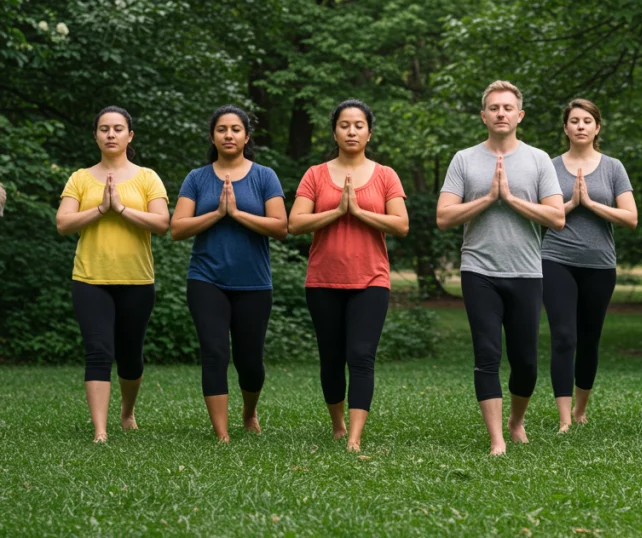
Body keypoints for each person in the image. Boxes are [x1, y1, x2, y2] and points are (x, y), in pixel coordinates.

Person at [436, 80, 564, 455]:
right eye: (494, 108)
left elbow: (556, 217)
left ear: (519, 115)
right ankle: (496, 440)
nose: (501, 113)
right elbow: (444, 217)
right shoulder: (464, 159)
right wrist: (488, 198)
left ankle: (516, 421)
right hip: (479, 270)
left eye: (508, 108)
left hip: (526, 271)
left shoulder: (538, 159)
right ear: (483, 115)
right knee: (487, 353)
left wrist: (509, 199)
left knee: (525, 361)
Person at [288, 100, 409, 453]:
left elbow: (400, 224)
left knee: (361, 355)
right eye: (344, 125)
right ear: (335, 131)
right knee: (331, 356)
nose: (351, 131)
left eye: (358, 125)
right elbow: (295, 223)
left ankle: (354, 436)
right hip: (323, 280)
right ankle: (338, 425)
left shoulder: (385, 175)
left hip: (371, 280)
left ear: (369, 132)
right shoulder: (315, 174)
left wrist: (357, 211)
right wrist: (337, 210)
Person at [170, 106, 287, 442]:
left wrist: (235, 213)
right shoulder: (197, 178)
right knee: (215, 352)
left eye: (236, 129)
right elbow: (177, 228)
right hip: (206, 279)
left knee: (250, 361)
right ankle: (221, 433)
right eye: (222, 129)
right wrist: (218, 212)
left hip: (253, 282)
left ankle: (249, 412)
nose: (229, 135)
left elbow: (281, 227)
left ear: (247, 137)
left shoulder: (265, 176)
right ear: (213, 136)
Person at [55, 106, 170, 442]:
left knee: (130, 355)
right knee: (98, 351)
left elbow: (162, 223)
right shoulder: (79, 177)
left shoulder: (147, 177)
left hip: (136, 279)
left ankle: (127, 411)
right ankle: (100, 431)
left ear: (129, 135)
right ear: (95, 135)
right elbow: (63, 224)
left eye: (118, 129)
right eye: (104, 129)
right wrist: (101, 209)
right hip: (90, 278)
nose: (110, 134)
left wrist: (120, 209)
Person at [541, 99, 637, 432]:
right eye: (574, 121)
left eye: (587, 121)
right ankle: (565, 418)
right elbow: (542, 216)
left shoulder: (613, 168)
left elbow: (631, 217)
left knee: (589, 338)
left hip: (599, 264)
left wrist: (591, 204)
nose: (581, 126)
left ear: (597, 128)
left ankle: (581, 408)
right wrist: (571, 204)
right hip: (555, 260)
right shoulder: (548, 167)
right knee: (564, 337)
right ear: (565, 127)